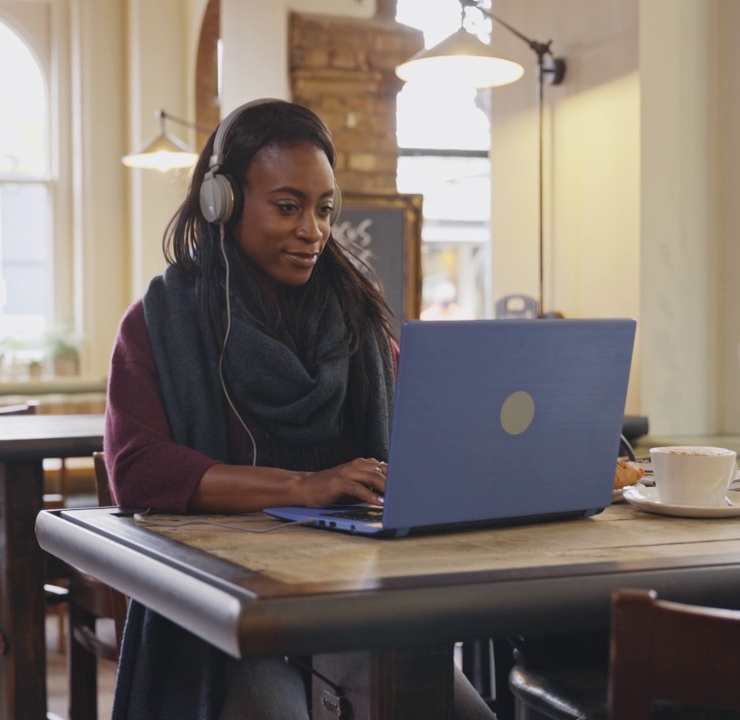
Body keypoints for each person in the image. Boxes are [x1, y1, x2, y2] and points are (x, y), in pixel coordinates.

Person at [103, 99, 495, 720]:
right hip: (225, 616)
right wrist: (303, 486)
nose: (312, 229)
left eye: (324, 209)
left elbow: (424, 422)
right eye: (287, 207)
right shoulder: (160, 323)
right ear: (222, 203)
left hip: (355, 602)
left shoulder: (357, 321)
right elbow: (140, 469)